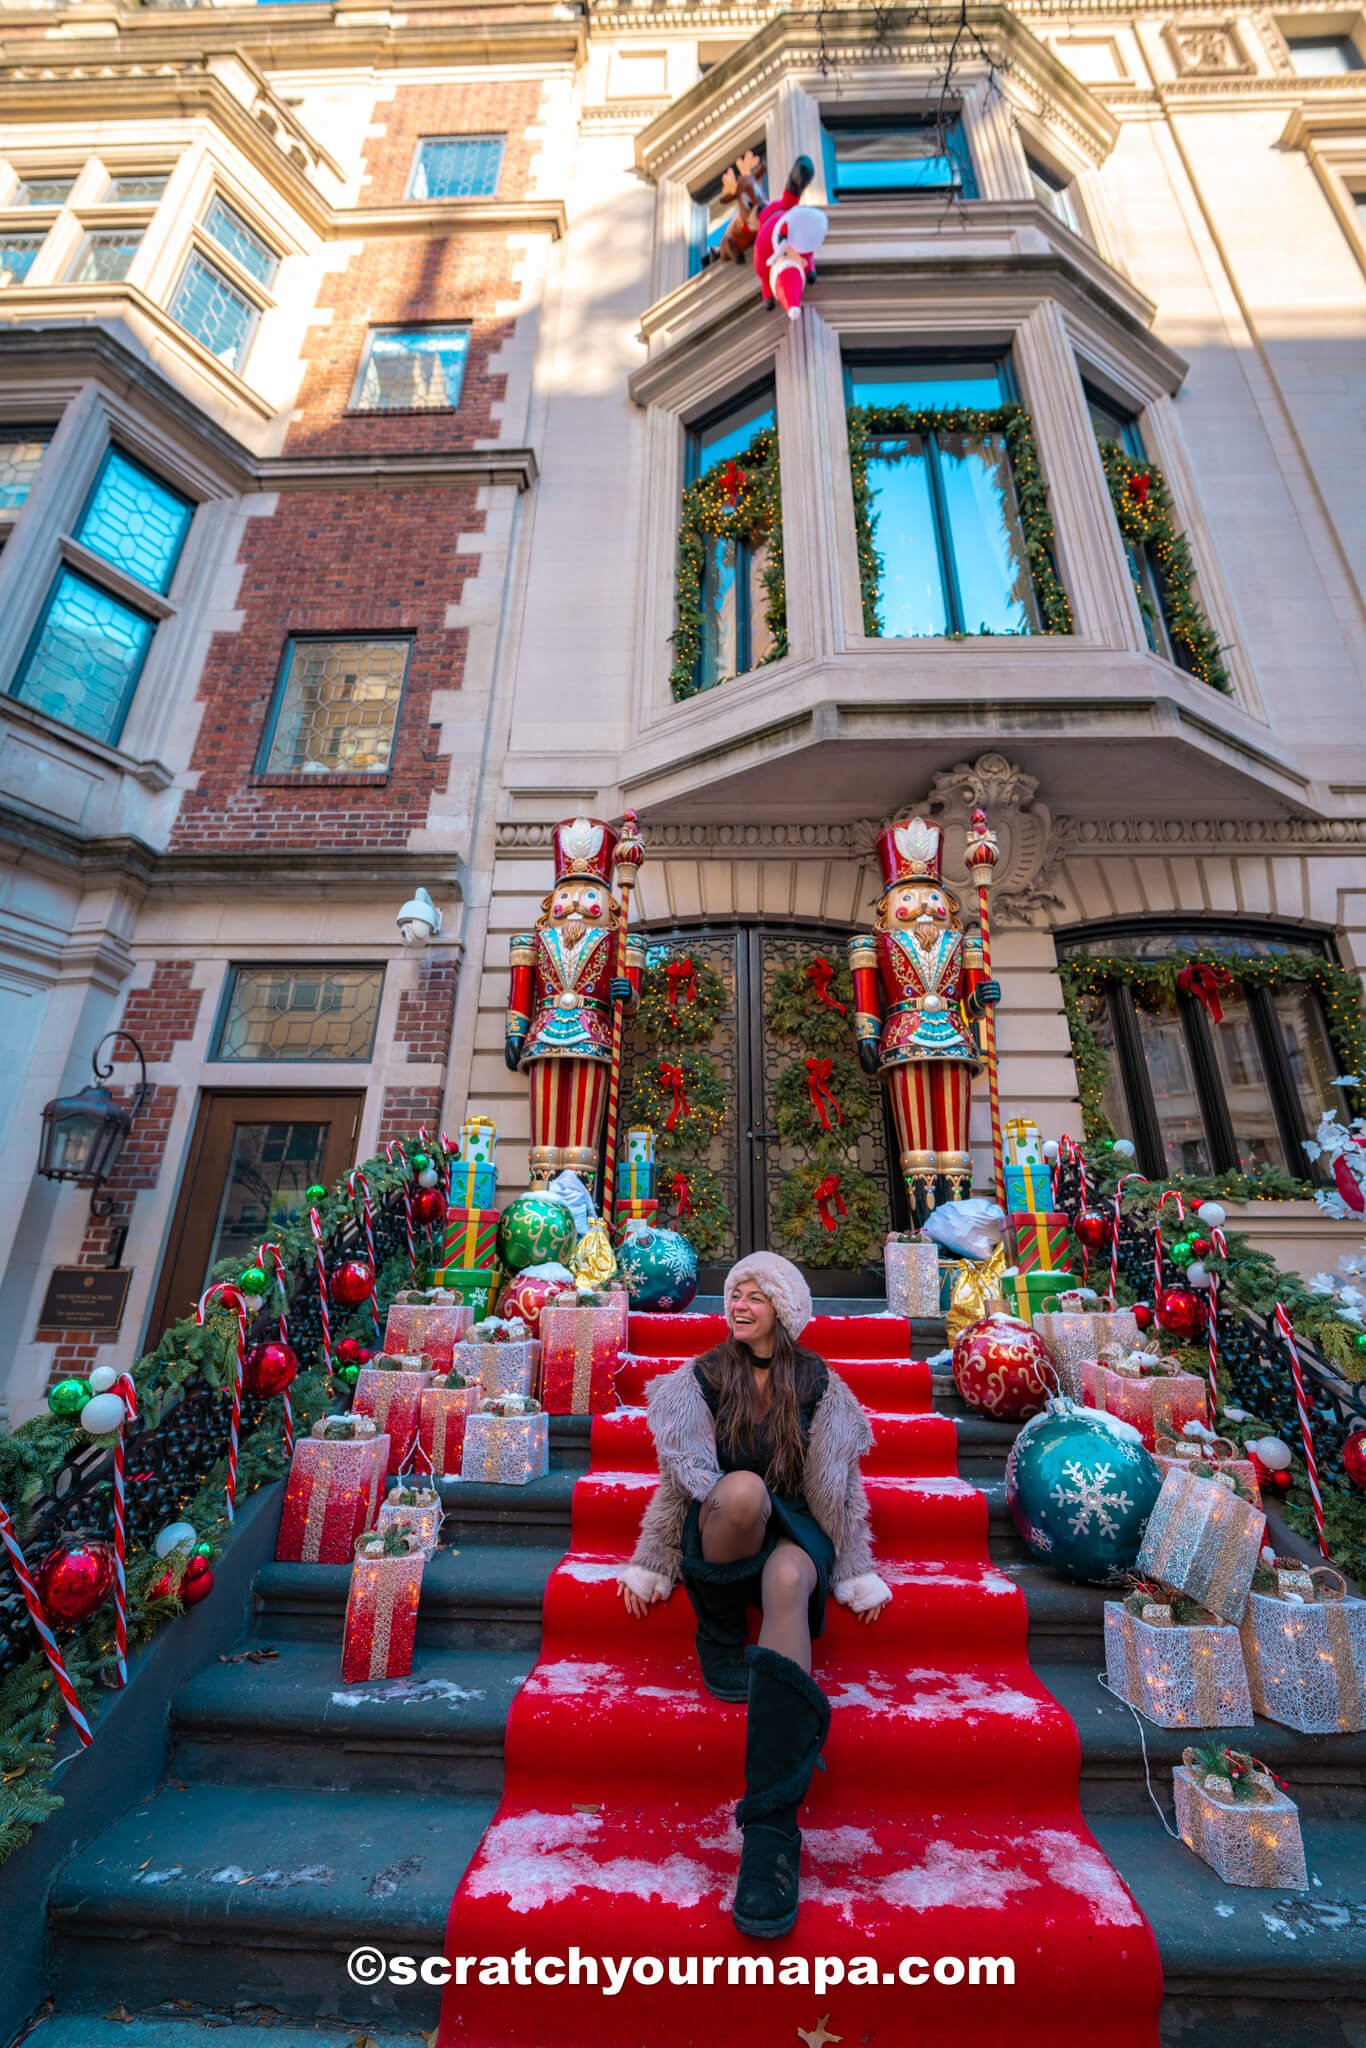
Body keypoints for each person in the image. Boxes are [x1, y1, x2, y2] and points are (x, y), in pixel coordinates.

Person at [616, 1253, 891, 1940]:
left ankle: (771, 1828)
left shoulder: (819, 1382)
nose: (738, 1302)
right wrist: (652, 1560)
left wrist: (854, 1566)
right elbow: (679, 1480)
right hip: (725, 1522)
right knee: (741, 1492)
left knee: (794, 1579)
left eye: (754, 1294)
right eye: (734, 1292)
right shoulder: (703, 1376)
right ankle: (717, 1629)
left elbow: (841, 1488)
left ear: (784, 1308)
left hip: (794, 1524)